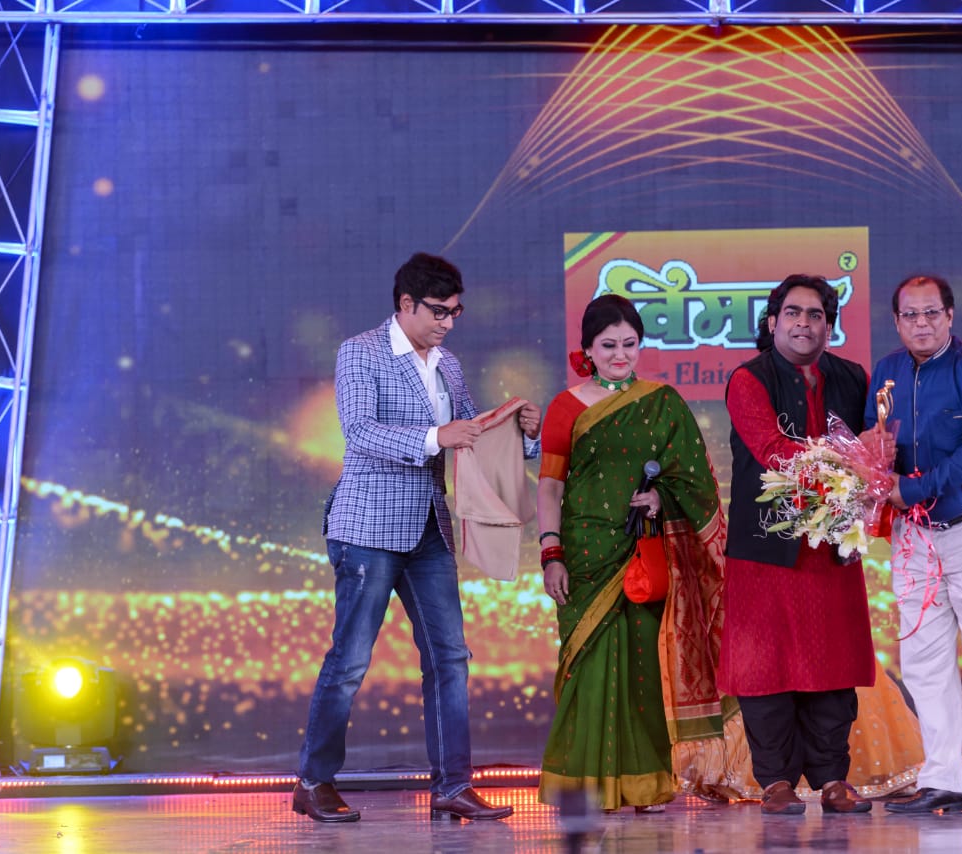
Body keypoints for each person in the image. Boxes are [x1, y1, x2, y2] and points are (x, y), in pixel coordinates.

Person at [293, 252, 541, 823]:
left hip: (430, 528)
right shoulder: (360, 351)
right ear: (405, 303)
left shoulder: (448, 364)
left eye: (455, 312)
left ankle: (453, 786)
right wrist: (435, 436)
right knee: (350, 660)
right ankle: (313, 781)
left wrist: (525, 433)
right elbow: (359, 430)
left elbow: (474, 433)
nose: (448, 322)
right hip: (367, 528)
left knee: (450, 657)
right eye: (438, 311)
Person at [537, 294, 736, 812]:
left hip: (645, 552)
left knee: (647, 667)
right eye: (608, 346)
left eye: (630, 344)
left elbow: (694, 480)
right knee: (587, 669)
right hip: (585, 554)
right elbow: (550, 487)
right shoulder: (565, 407)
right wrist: (551, 552)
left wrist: (660, 497)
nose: (620, 355)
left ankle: (648, 785)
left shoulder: (662, 402)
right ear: (587, 348)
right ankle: (583, 789)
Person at [718, 274, 877, 817]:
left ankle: (833, 779)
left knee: (833, 665)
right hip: (766, 549)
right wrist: (848, 464)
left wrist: (874, 465)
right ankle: (776, 782)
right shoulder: (748, 379)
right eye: (793, 313)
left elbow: (876, 449)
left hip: (832, 547)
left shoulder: (853, 378)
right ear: (772, 322)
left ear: (829, 326)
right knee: (765, 668)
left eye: (815, 315)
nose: (804, 324)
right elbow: (769, 448)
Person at [867, 274, 962, 815]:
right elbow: (875, 441)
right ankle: (943, 778)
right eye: (910, 315)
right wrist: (869, 477)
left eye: (931, 313)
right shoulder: (886, 371)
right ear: (896, 321)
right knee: (923, 661)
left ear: (950, 317)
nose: (921, 324)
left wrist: (913, 489)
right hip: (916, 534)